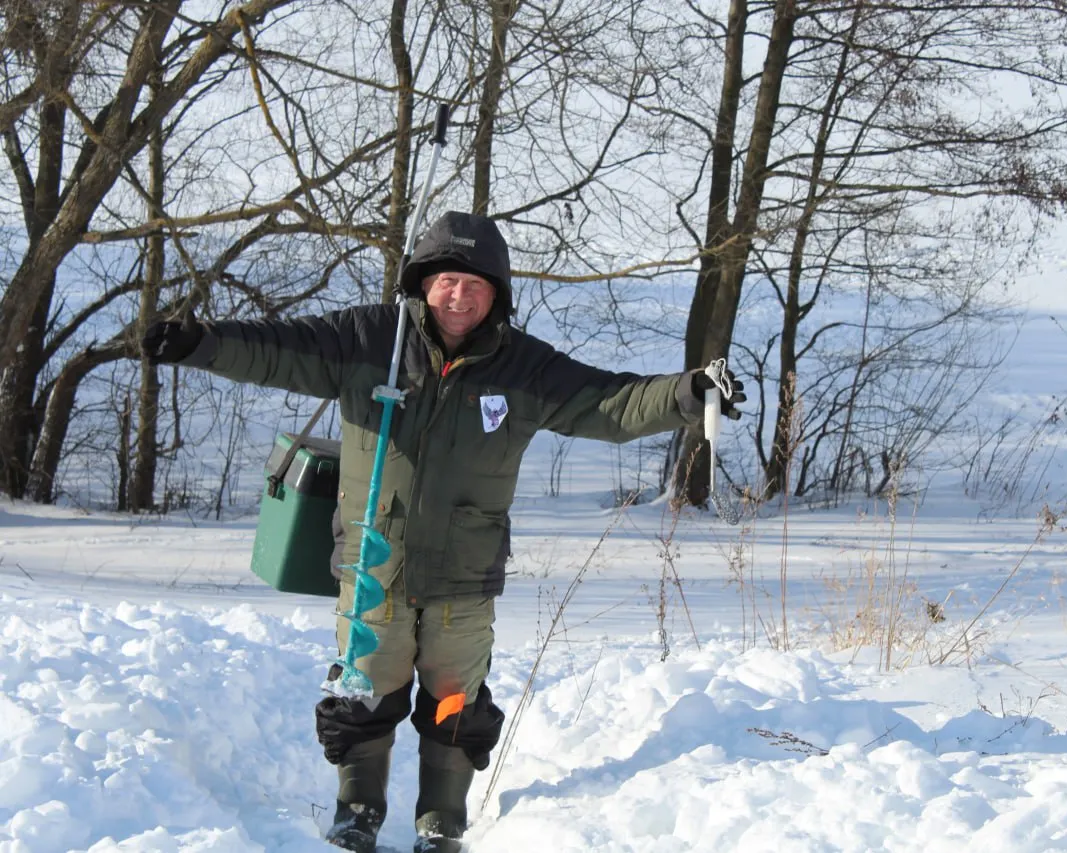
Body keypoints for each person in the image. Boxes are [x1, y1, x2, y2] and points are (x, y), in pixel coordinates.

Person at [140, 211, 746, 853]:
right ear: (423, 282)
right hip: (374, 562)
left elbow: (609, 402)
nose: (460, 296)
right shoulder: (368, 340)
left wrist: (688, 393)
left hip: (465, 572)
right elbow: (274, 350)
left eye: (476, 285)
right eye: (448, 280)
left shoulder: (523, 368)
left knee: (457, 705)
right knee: (363, 695)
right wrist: (200, 344)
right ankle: (358, 812)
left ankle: (442, 822)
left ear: (498, 295)